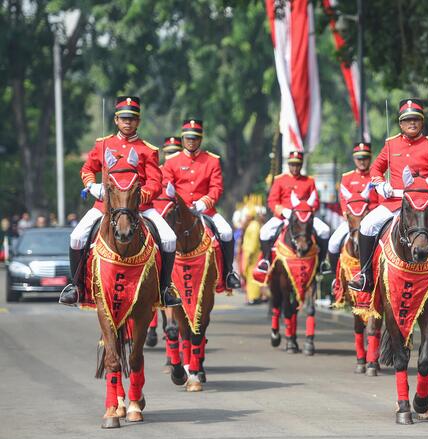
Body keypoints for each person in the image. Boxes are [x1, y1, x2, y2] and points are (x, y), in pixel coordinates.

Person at [60, 96, 180, 306]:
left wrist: (138, 197)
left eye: (132, 119)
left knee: (169, 238)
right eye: (123, 118)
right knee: (76, 237)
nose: (128, 122)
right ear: (116, 120)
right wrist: (92, 186)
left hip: (139, 208)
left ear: (138, 121)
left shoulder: (148, 149)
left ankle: (165, 288)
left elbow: (155, 182)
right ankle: (76, 287)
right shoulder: (103, 144)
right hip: (105, 206)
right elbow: (88, 169)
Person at [347, 98, 428, 303]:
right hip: (395, 201)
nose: (412, 123)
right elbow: (376, 169)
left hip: (424, 203)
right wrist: (379, 184)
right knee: (367, 226)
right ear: (401, 123)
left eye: (416, 119)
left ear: (422, 122)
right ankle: (365, 276)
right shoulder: (391, 143)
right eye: (407, 120)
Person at [162, 119, 242, 289]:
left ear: (201, 139)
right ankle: (161, 278)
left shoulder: (211, 161)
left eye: (195, 138)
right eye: (188, 138)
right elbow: (166, 186)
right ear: (183, 138)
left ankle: (229, 273)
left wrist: (204, 203)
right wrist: (173, 199)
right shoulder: (172, 162)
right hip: (178, 211)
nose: (191, 141)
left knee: (227, 232)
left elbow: (216, 187)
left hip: (206, 211)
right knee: (161, 236)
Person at [257, 151, 331, 273]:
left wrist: (306, 211)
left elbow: (316, 201)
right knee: (264, 231)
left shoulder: (309, 181)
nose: (295, 167)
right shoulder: (280, 180)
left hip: (304, 217)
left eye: (297, 165)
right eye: (292, 164)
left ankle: (322, 262)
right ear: (288, 165)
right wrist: (282, 211)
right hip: (283, 217)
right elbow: (272, 200)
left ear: (301, 165)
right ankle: (266, 260)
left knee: (324, 230)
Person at [325, 142, 379, 270]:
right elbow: (343, 199)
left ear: (370, 158)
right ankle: (335, 275)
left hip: (373, 220)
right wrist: (345, 213)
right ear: (354, 159)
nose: (362, 161)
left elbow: (381, 199)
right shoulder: (347, 177)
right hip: (353, 221)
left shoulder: (376, 176)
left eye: (365, 158)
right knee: (333, 242)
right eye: (359, 159)